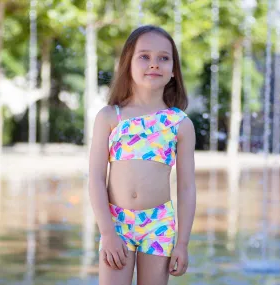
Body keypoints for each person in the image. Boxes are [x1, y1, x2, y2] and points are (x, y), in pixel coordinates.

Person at [88, 24, 196, 285]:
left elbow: (186, 187)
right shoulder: (109, 117)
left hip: (158, 224)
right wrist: (107, 232)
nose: (154, 64)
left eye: (163, 58)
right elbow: (95, 178)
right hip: (117, 223)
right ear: (128, 64)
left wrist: (182, 243)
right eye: (144, 56)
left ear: (173, 71)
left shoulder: (179, 124)